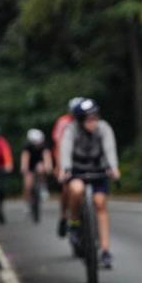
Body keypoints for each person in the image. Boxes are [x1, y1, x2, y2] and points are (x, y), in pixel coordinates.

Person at [57, 99, 121, 269]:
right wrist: (65, 169)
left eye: (95, 117)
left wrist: (113, 168)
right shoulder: (70, 130)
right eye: (88, 119)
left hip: (98, 171)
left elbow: (109, 149)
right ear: (79, 120)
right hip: (77, 171)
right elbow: (65, 150)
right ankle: (75, 224)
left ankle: (106, 250)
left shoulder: (104, 128)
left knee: (100, 203)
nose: (93, 121)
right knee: (76, 190)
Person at [54, 97, 84, 237]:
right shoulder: (63, 122)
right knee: (66, 188)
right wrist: (60, 167)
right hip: (65, 158)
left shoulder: (88, 121)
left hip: (84, 159)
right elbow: (60, 145)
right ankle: (64, 217)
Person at [21, 128, 53, 208]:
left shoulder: (44, 146)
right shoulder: (27, 147)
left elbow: (47, 157)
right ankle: (27, 203)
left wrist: (48, 168)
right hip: (30, 165)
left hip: (39, 164)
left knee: (41, 168)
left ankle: (43, 186)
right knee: (27, 184)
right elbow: (25, 158)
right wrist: (24, 169)